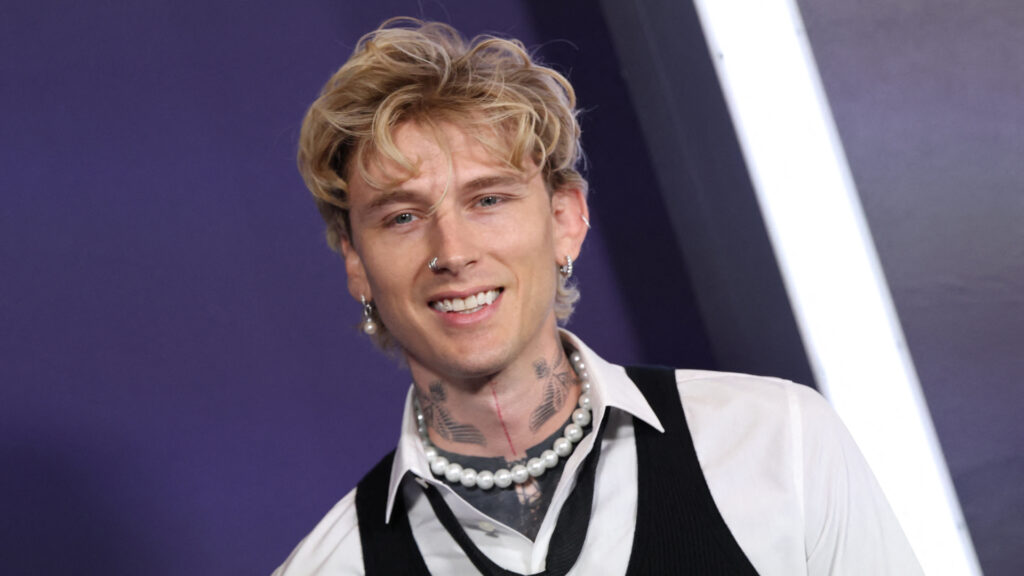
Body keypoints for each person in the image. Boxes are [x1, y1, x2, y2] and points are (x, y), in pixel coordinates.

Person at [274, 17, 922, 575]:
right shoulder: (329, 566)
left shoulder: (778, 445)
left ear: (566, 219)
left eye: (489, 199)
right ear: (356, 264)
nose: (453, 251)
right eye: (402, 217)